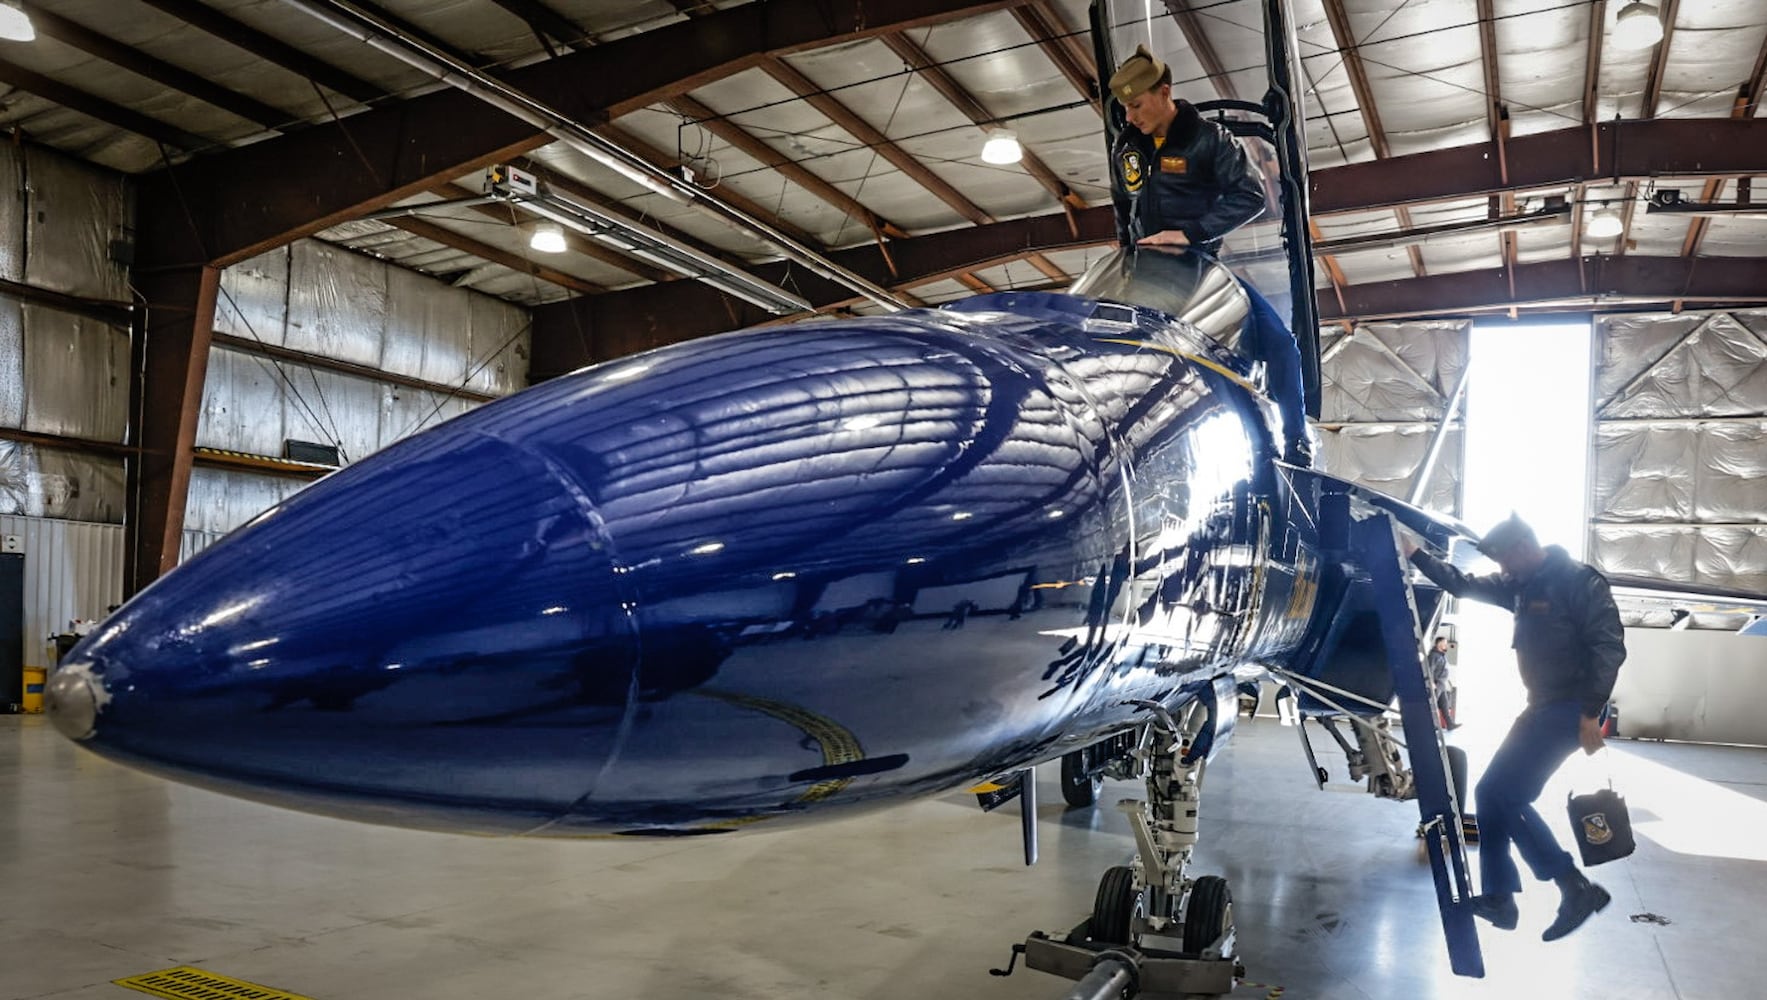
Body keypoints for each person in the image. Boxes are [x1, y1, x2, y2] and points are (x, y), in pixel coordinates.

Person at [1403, 514, 1625, 942]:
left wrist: (1589, 713)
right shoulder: (1522, 586)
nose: (1502, 570)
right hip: (1541, 706)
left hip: (1569, 708)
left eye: (1505, 560)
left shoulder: (1579, 582)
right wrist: (1415, 553)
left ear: (1525, 547)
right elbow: (1463, 584)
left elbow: (1609, 648)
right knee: (1492, 795)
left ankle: (1570, 886)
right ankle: (1505, 897)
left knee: (1505, 796)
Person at [1105, 45, 1310, 466]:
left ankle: (1295, 440)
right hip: (1142, 272)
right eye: (1125, 108)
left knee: (1281, 345)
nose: (1130, 117)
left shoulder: (1210, 140)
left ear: (1165, 93)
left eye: (1137, 105)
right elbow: (1124, 208)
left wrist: (1188, 233)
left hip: (1196, 267)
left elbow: (1251, 195)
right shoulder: (1127, 144)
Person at [1427, 636, 1458, 729]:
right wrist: (1431, 682)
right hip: (1436, 683)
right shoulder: (1433, 655)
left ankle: (1450, 724)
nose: (1446, 645)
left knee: (1444, 705)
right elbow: (1429, 670)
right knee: (1432, 703)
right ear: (1439, 644)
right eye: (1444, 643)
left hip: (1442, 683)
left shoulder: (1441, 655)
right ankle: (1432, 725)